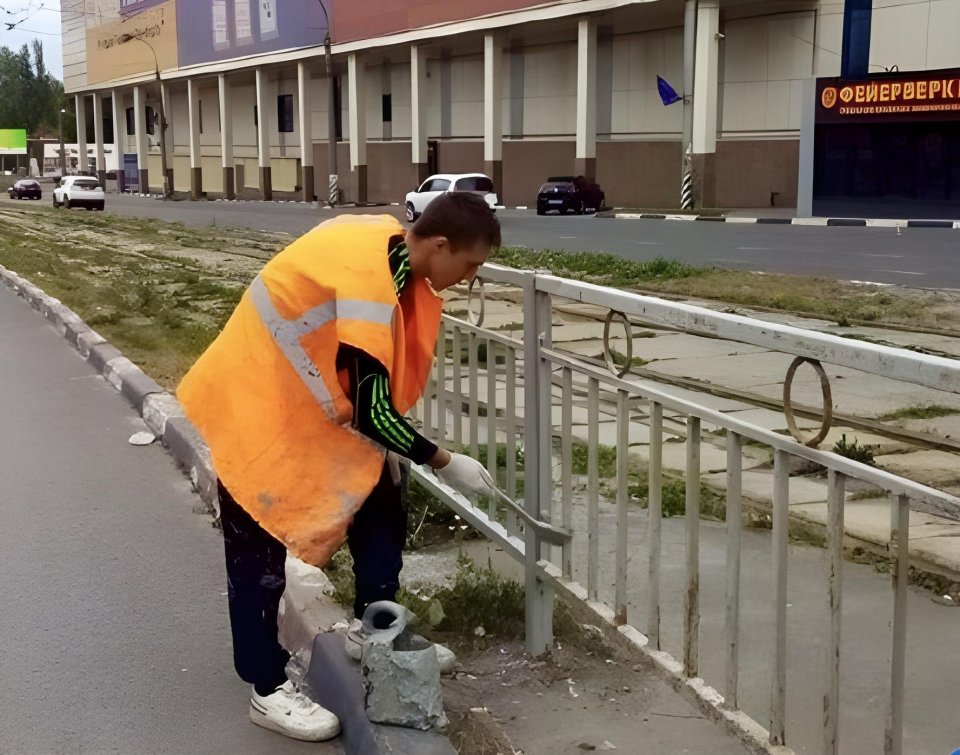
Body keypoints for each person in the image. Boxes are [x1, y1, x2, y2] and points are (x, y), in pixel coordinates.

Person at [177, 193, 500, 742]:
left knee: (381, 492)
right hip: (255, 407)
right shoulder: (368, 281)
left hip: (301, 402)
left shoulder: (387, 245)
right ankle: (266, 688)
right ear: (440, 245)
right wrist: (445, 462)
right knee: (258, 551)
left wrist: (397, 446)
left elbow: (364, 387)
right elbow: (373, 412)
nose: (469, 279)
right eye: (469, 265)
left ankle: (374, 627)